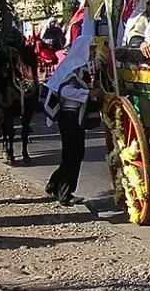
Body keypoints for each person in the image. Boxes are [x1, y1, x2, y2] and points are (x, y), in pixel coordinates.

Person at [43, 34, 105, 206]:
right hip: (69, 117)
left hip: (75, 116)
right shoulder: (72, 67)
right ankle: (65, 194)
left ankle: (54, 184)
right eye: (91, 49)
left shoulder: (77, 66)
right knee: (73, 154)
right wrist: (87, 94)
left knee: (72, 154)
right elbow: (65, 91)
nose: (93, 52)